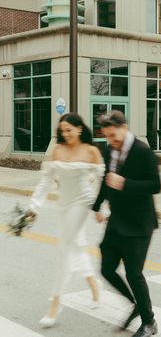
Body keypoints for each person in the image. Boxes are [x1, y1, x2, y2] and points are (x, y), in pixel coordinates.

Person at [27, 112, 105, 328]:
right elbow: (45, 181)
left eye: (69, 130)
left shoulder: (91, 151)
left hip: (82, 202)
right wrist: (34, 206)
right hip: (63, 204)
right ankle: (93, 283)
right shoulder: (58, 150)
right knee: (76, 245)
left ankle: (56, 301)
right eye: (62, 131)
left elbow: (101, 181)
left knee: (64, 250)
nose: (65, 134)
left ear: (80, 129)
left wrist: (99, 207)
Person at [92, 110, 161, 337]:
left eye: (114, 136)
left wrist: (125, 184)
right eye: (107, 137)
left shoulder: (142, 151)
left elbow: (155, 185)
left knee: (134, 274)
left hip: (139, 223)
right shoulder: (108, 149)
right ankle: (135, 305)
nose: (111, 141)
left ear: (124, 127)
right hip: (116, 221)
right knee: (106, 269)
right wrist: (97, 205)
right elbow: (107, 179)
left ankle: (149, 321)